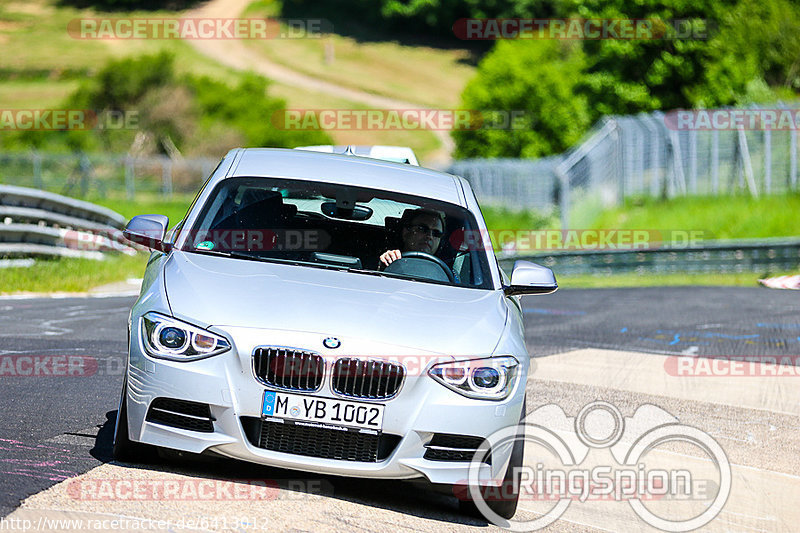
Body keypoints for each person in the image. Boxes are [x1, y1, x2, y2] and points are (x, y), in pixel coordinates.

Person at [379, 208, 445, 267]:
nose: (430, 236)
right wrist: (387, 261)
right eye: (422, 229)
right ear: (405, 232)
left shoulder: (446, 273)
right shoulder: (392, 259)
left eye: (436, 233)